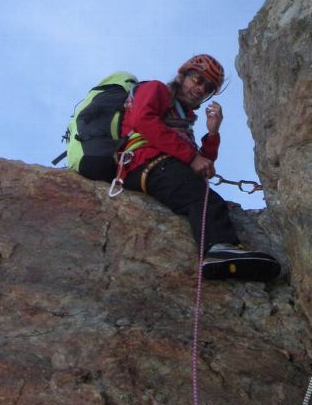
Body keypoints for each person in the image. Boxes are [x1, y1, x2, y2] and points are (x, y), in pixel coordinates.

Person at [117, 55, 281, 281]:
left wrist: (212, 133)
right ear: (182, 76)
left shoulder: (181, 121)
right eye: (196, 79)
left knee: (201, 194)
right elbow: (142, 121)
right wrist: (191, 157)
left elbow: (201, 166)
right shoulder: (156, 89)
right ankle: (218, 249)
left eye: (207, 87)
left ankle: (224, 254)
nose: (200, 88)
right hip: (143, 163)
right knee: (203, 199)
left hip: (160, 167)